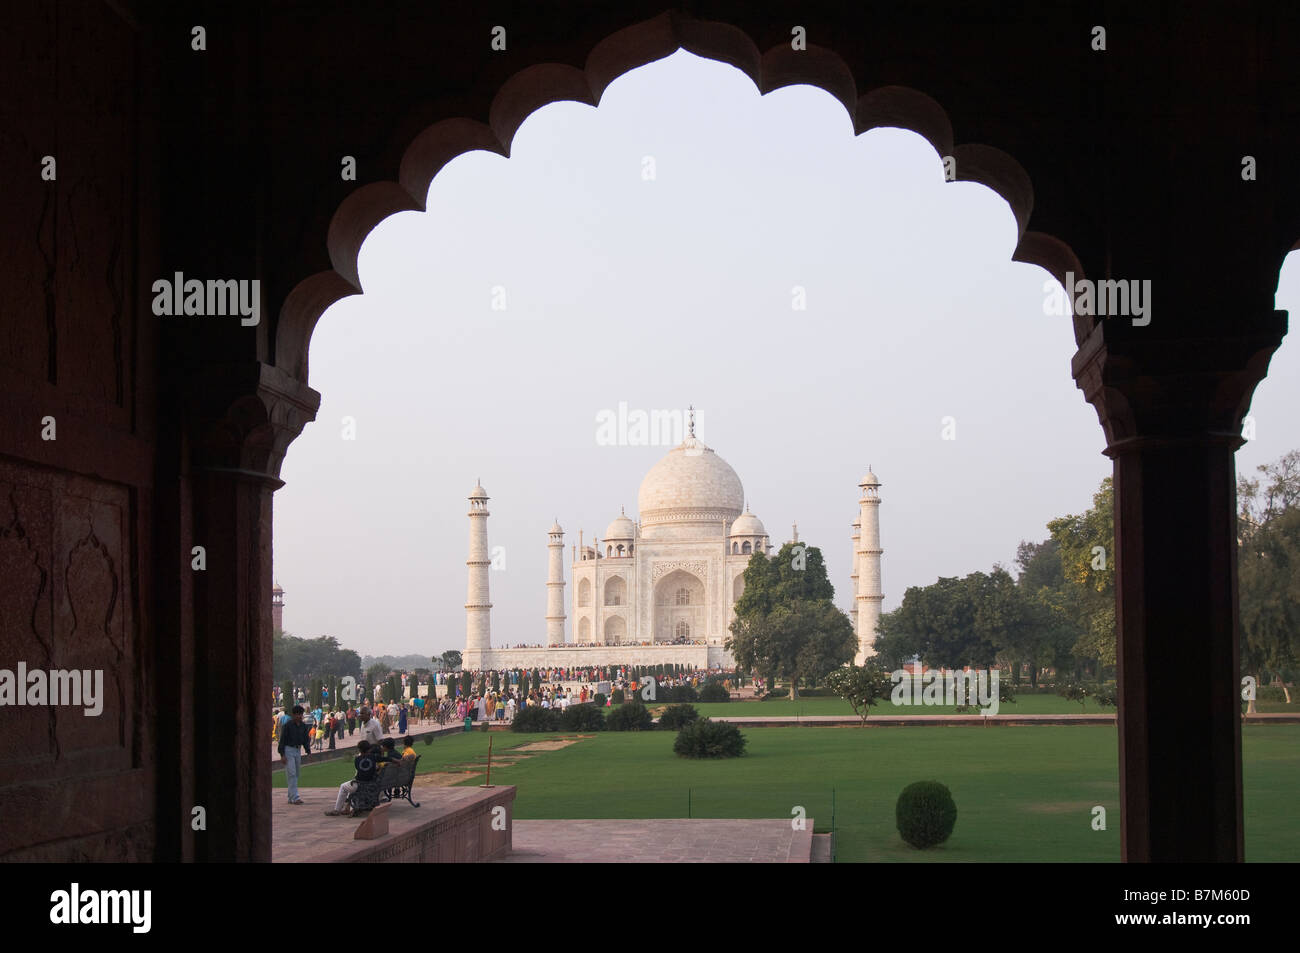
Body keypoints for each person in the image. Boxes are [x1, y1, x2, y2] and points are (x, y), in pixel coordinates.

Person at [324, 740, 377, 817]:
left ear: (359, 749)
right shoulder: (373, 757)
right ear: (369, 749)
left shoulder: (358, 759)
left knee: (343, 786)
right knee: (350, 785)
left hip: (361, 784)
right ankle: (349, 808)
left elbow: (359, 770)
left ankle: (337, 809)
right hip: (371, 783)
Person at [278, 705, 311, 805]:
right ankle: (295, 797)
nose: (299, 716)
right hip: (288, 749)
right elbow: (282, 740)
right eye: (297, 714)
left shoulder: (303, 726)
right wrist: (282, 754)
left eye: (301, 714)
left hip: (297, 750)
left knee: (295, 774)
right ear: (293, 715)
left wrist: (308, 752)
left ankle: (290, 796)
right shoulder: (288, 726)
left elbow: (306, 740)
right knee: (291, 773)